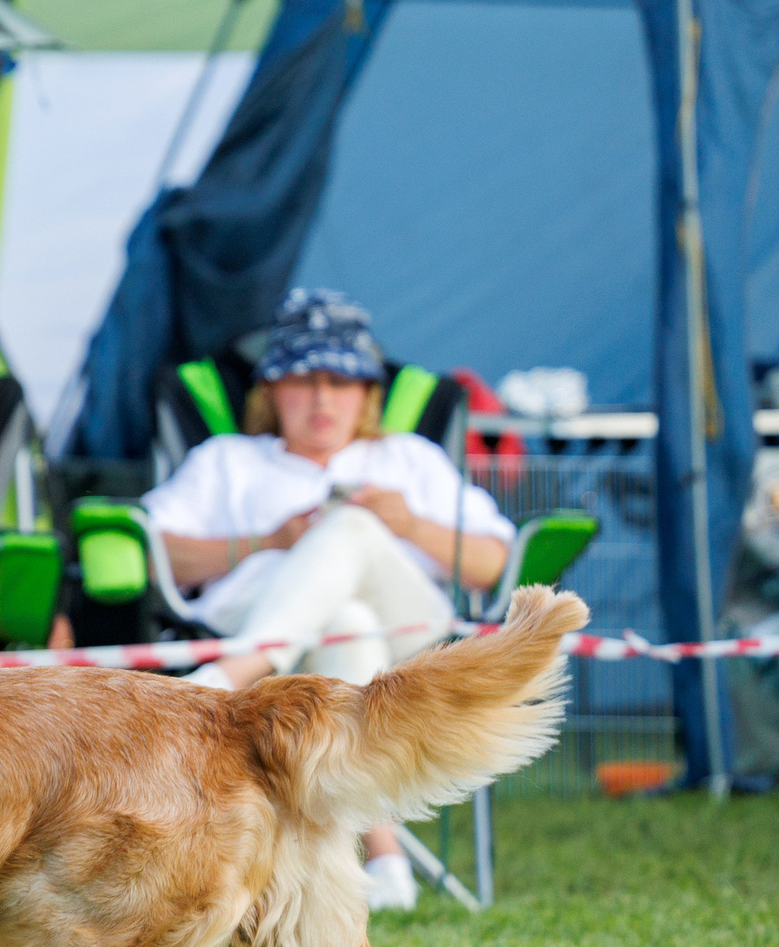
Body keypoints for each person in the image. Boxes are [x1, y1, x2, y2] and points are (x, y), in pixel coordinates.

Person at [143, 288, 514, 910]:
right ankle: (385, 859)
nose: (321, 399)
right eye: (302, 380)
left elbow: (495, 566)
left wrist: (409, 525)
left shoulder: (407, 458)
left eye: (341, 382)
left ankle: (224, 681)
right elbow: (155, 555)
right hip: (278, 628)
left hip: (411, 641)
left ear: (368, 394)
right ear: (270, 391)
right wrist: (269, 541)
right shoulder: (228, 461)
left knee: (352, 525)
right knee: (346, 622)